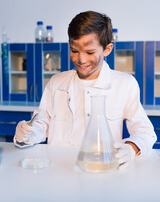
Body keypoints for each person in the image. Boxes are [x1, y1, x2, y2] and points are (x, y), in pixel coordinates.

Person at [14, 10, 157, 170]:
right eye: (74, 50)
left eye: (90, 52)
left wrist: (130, 149)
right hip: (58, 172)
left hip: (100, 171)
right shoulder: (56, 82)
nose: (81, 59)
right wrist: (29, 134)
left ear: (107, 49)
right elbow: (41, 123)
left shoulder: (125, 84)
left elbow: (146, 132)